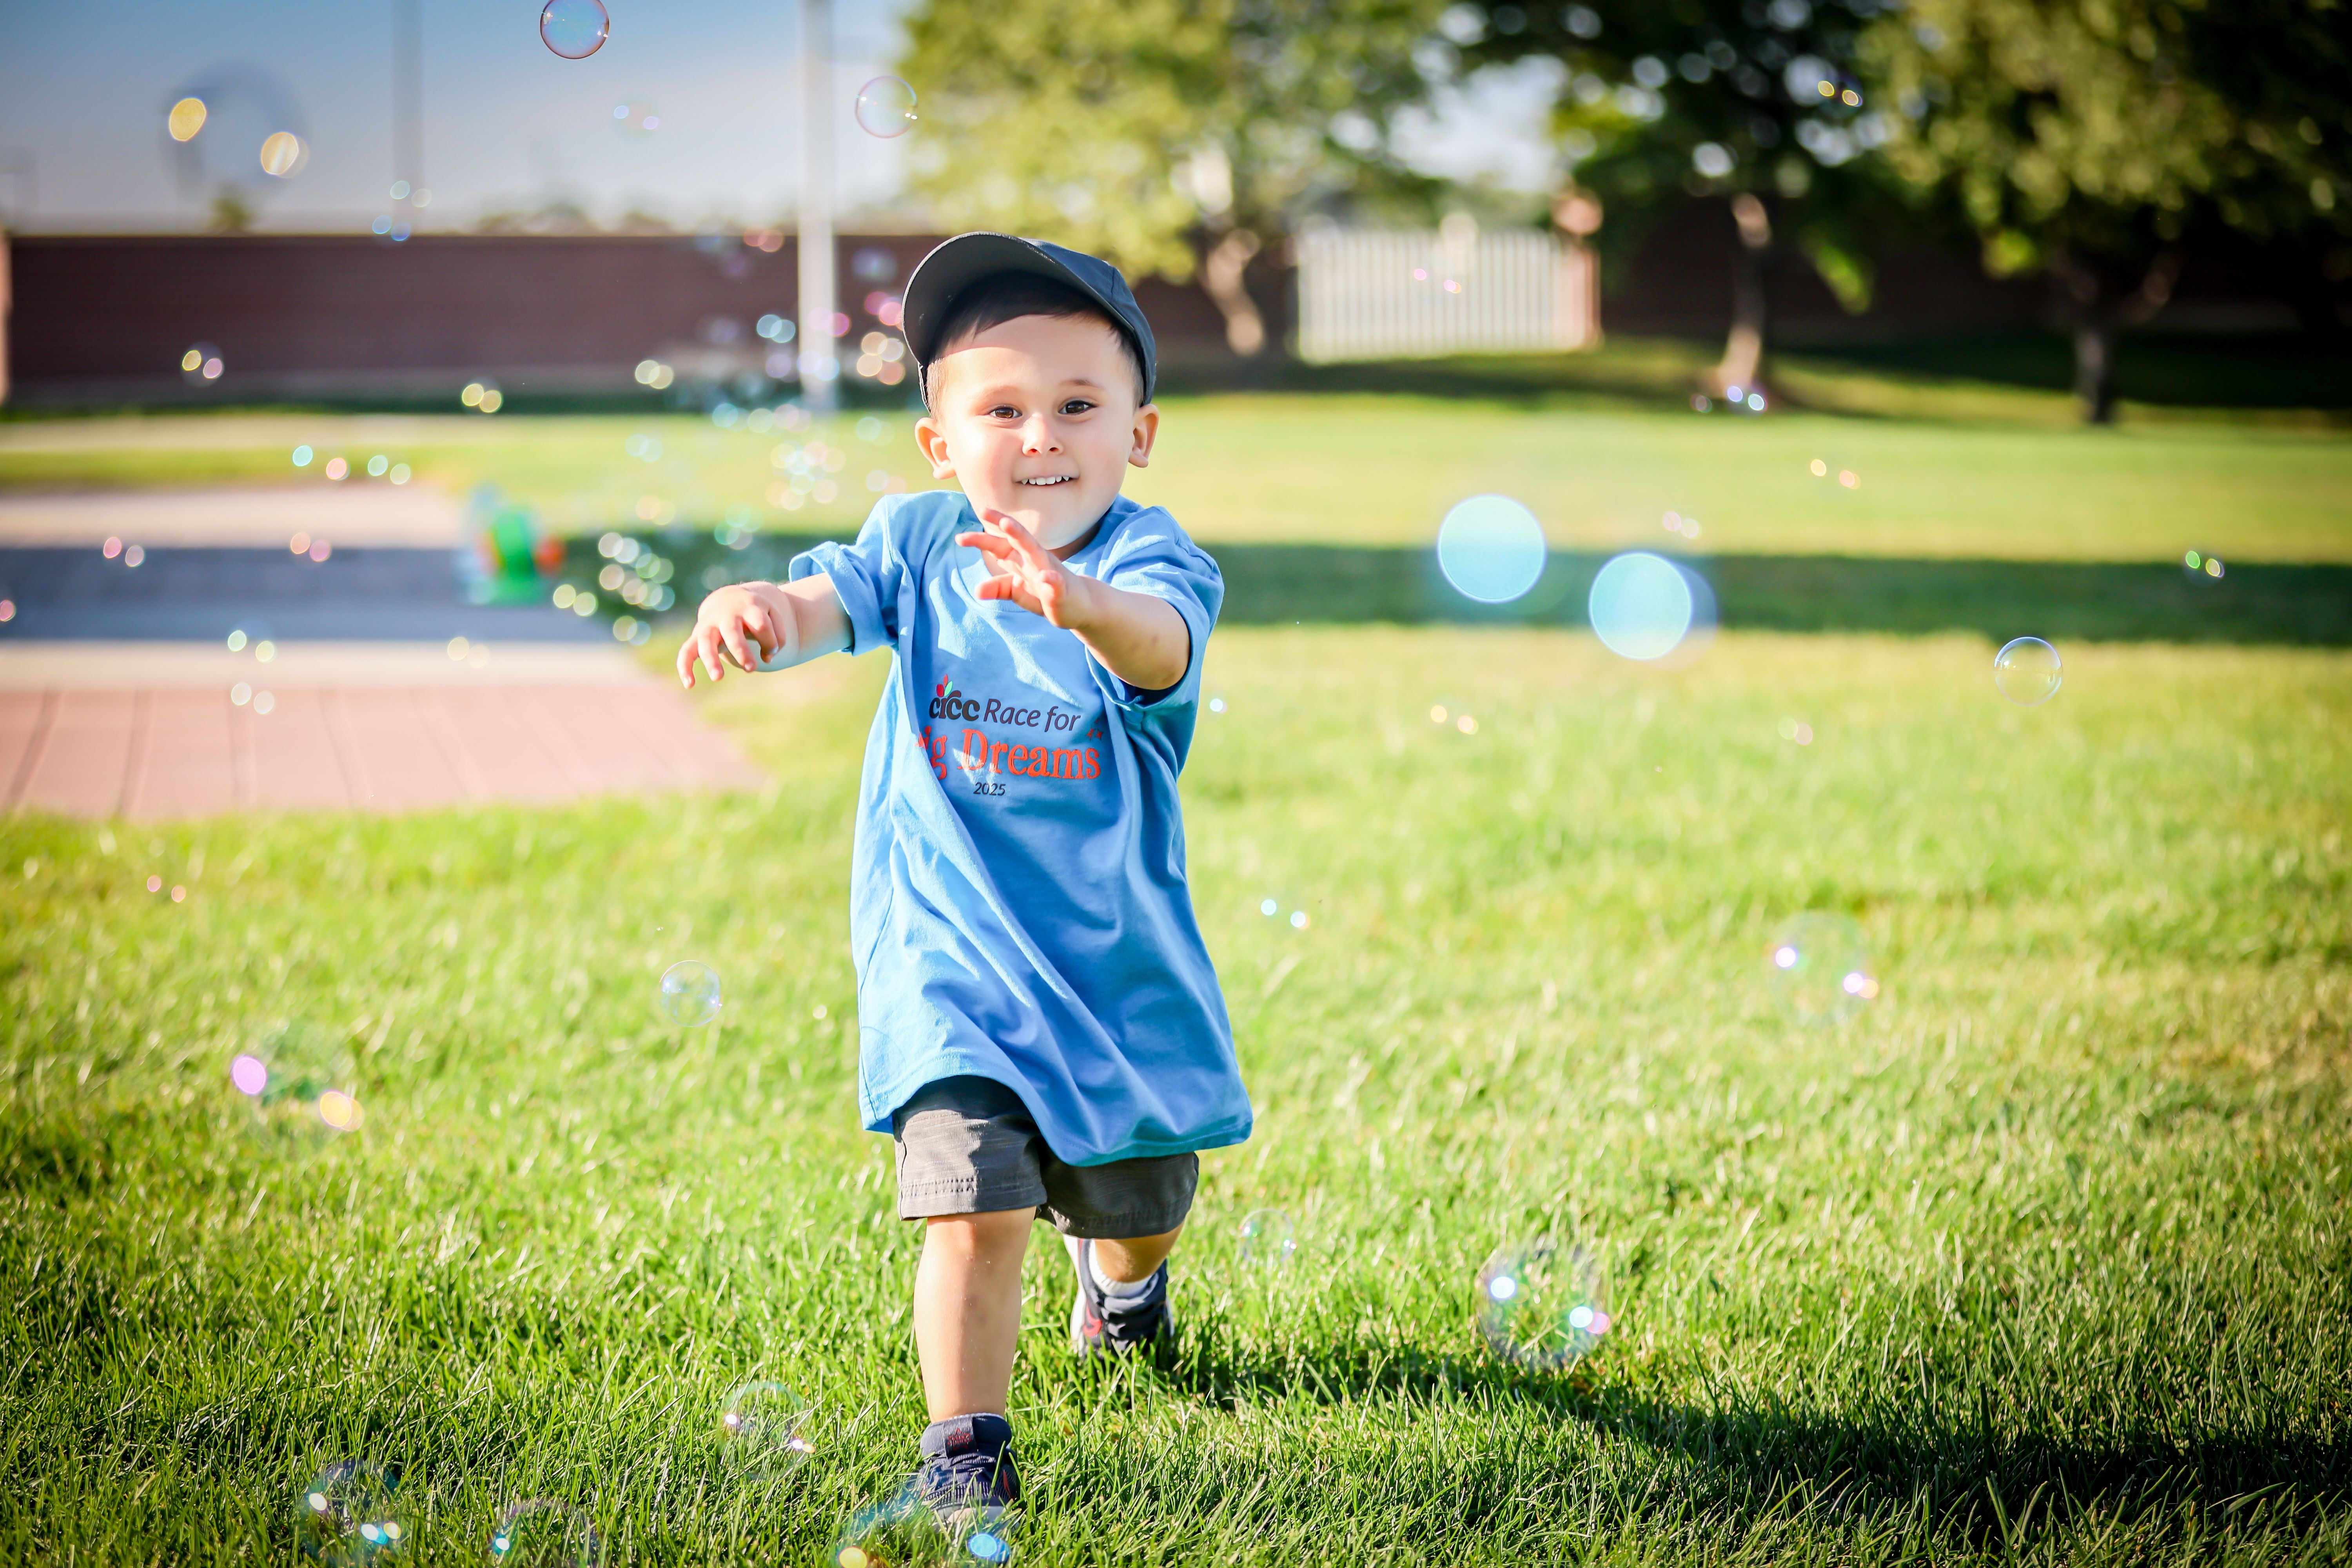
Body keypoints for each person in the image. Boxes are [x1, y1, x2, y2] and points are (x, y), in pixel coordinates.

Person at [674, 234, 1248, 1529]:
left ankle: (1127, 1283)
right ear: (941, 443)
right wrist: (763, 610)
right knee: (974, 1209)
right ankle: (965, 1452)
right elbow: (828, 600)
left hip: (1113, 971)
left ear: (1139, 433)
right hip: (952, 966)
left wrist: (1078, 603)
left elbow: (1161, 652)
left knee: (1142, 1203)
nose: (1040, 436)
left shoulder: (1153, 565)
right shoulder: (920, 541)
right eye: (1001, 409)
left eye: (1078, 407)